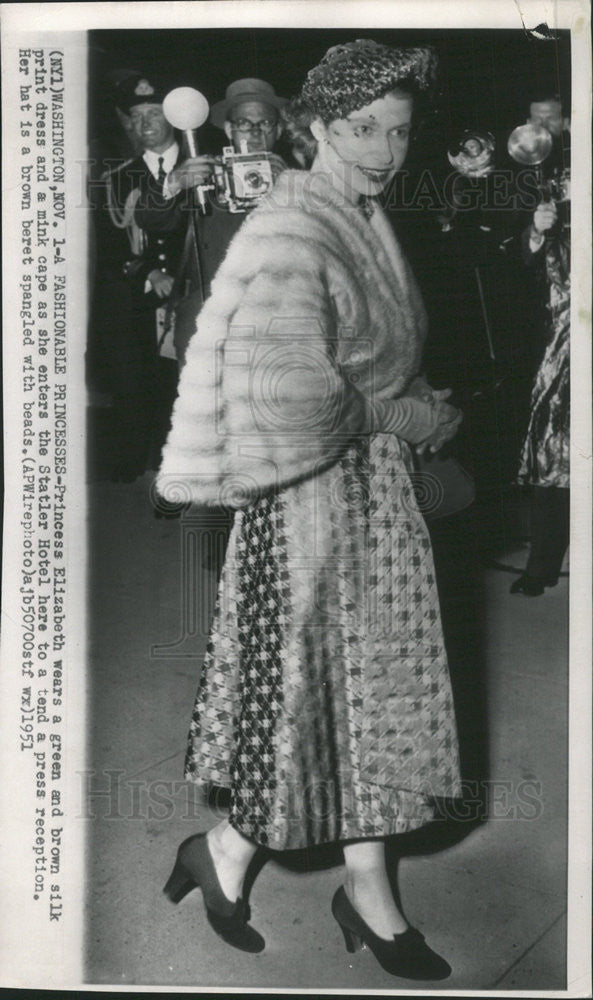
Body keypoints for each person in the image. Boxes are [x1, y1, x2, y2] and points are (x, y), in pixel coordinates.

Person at [157, 40, 463, 980]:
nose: (383, 147)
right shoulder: (297, 222)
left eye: (400, 130)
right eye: (361, 128)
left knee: (364, 696)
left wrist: (414, 403)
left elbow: (367, 349)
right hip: (308, 495)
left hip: (368, 492)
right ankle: (249, 859)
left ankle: (315, 876)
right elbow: (291, 389)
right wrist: (396, 412)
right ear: (318, 127)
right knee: (311, 693)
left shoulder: (357, 208)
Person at [135, 77, 288, 367]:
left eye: (265, 123)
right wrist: (175, 182)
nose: (254, 132)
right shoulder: (205, 174)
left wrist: (294, 191)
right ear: (229, 129)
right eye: (244, 123)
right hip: (210, 323)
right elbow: (148, 218)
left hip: (278, 325)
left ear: (278, 129)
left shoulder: (297, 178)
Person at [102, 74, 186, 480]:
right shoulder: (118, 179)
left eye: (153, 113)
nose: (144, 123)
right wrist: (149, 271)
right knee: (146, 388)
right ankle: (153, 468)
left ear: (172, 116)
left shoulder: (199, 165)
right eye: (135, 116)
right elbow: (110, 250)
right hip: (143, 300)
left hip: (195, 293)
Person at [511, 94, 570, 596]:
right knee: (552, 447)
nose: (544, 129)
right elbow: (510, 262)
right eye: (536, 121)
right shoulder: (522, 179)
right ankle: (542, 564)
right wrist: (535, 230)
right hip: (559, 337)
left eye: (552, 119)